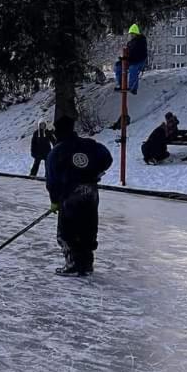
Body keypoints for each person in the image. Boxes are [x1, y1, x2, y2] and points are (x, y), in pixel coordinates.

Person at [46, 115, 113, 276]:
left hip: (70, 195)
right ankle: (87, 265)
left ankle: (73, 264)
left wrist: (54, 200)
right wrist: (96, 171)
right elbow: (107, 157)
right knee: (88, 229)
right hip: (91, 194)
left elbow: (52, 180)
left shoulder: (56, 152)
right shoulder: (89, 145)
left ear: (57, 133)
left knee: (66, 232)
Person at [114, 24, 148, 94]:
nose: (131, 36)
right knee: (118, 66)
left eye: (133, 34)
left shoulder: (141, 42)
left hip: (139, 60)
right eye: (131, 34)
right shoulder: (130, 43)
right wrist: (123, 59)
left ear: (136, 34)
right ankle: (120, 84)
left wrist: (127, 58)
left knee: (133, 68)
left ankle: (133, 87)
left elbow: (137, 54)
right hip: (131, 60)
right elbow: (129, 53)